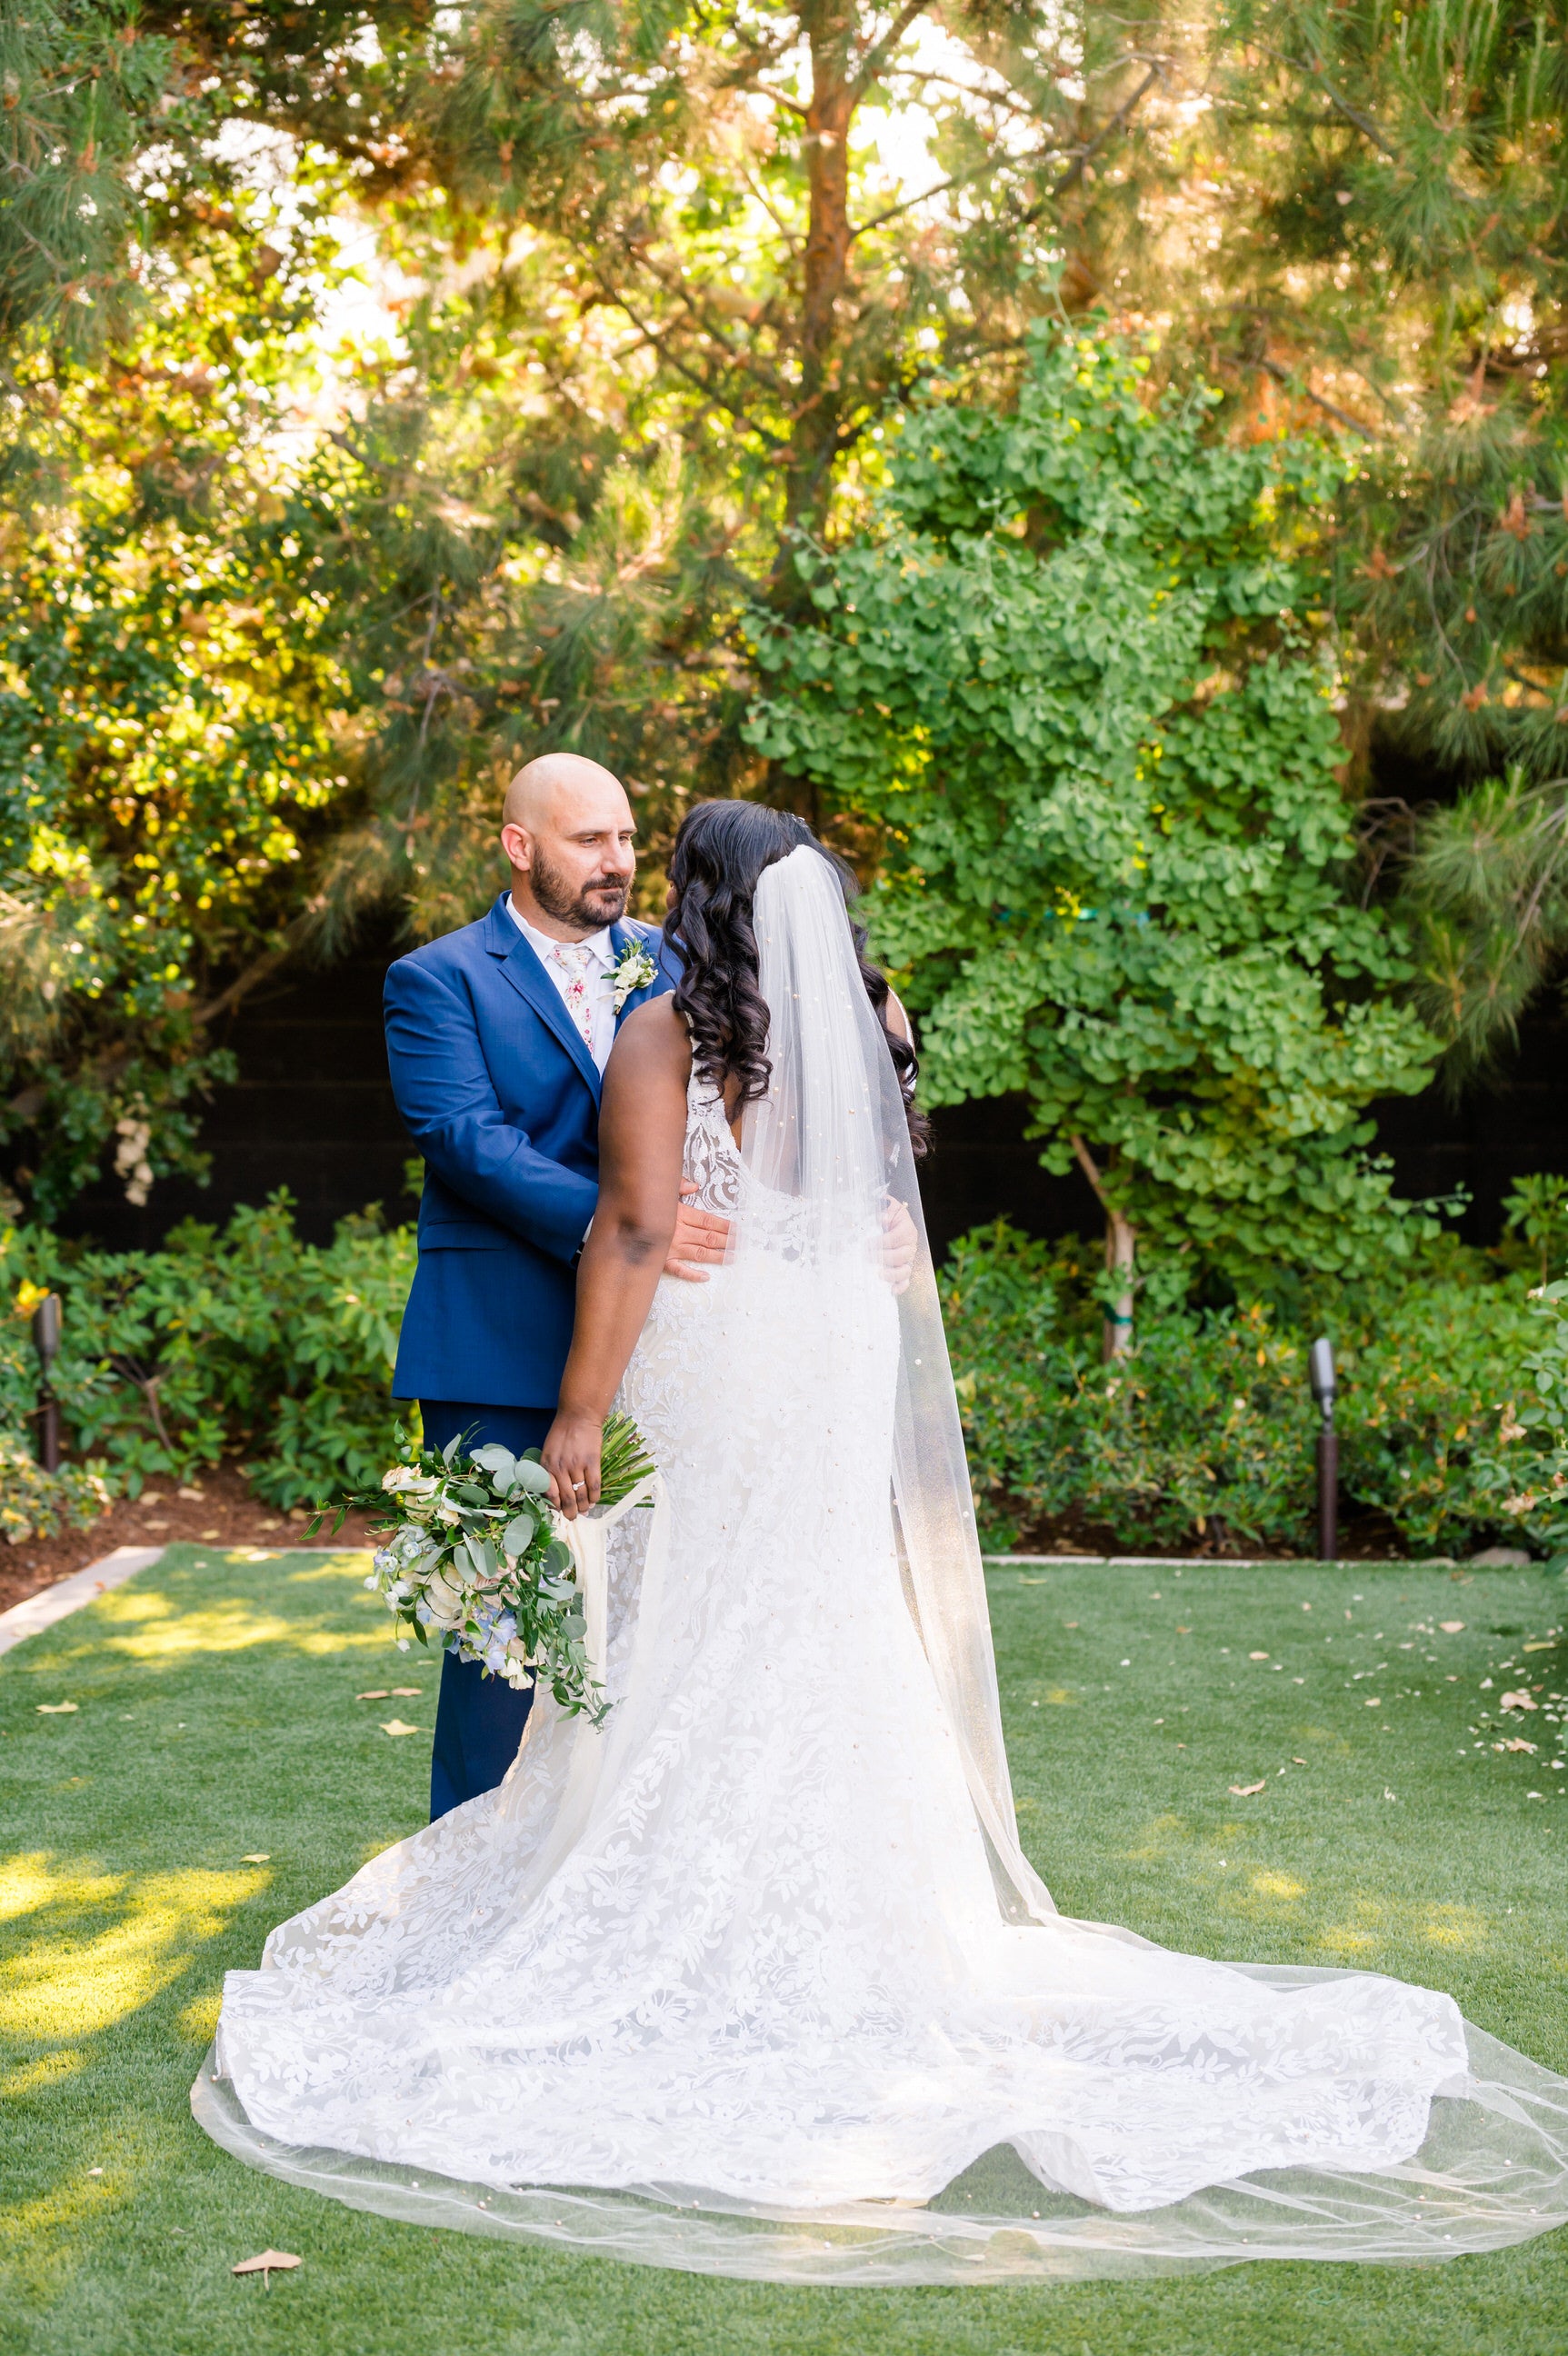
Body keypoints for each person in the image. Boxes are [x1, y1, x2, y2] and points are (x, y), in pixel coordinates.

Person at [199, 804, 1568, 2284]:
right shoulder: (859, 1010)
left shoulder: (668, 1030)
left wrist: (581, 1407)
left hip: (729, 1344)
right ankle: (869, 1919)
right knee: (822, 1596)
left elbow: (641, 1233)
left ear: (701, 893)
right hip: (837, 1334)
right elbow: (881, 1200)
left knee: (721, 1599)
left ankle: (713, 1911)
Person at [382, 753, 724, 1817]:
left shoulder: (681, 965)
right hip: (498, 1343)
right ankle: (459, 1884)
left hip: (669, 1343)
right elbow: (464, 1139)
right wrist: (628, 1223)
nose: (618, 861)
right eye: (590, 840)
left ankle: (617, 1875)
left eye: (627, 838)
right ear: (519, 846)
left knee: (663, 1619)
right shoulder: (437, 978)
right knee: (503, 1625)